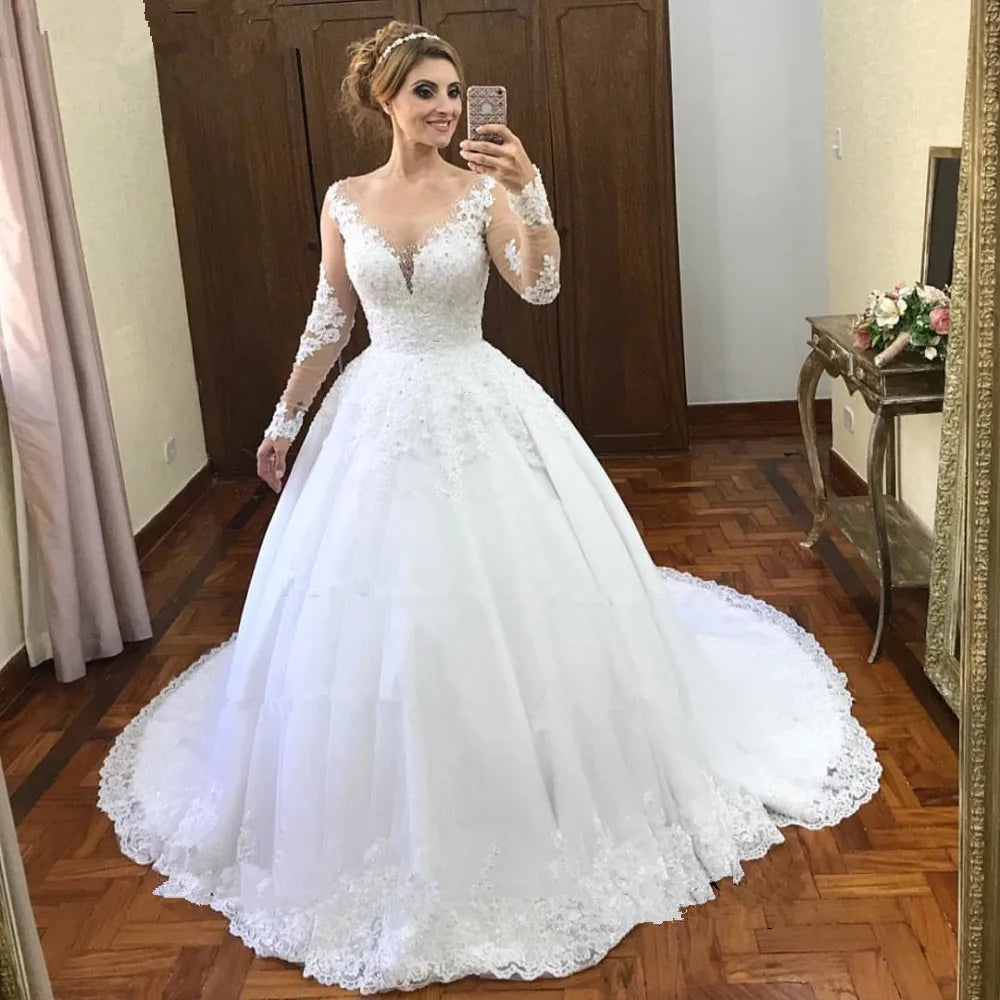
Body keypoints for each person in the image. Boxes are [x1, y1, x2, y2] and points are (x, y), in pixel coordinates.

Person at [98, 20, 881, 994]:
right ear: (384, 99)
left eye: (454, 91)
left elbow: (537, 286)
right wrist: (283, 422)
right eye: (424, 91)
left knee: (500, 596)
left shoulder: (483, 190)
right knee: (372, 614)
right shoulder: (344, 200)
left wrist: (529, 187)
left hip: (475, 402)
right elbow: (330, 319)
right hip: (373, 418)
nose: (444, 108)